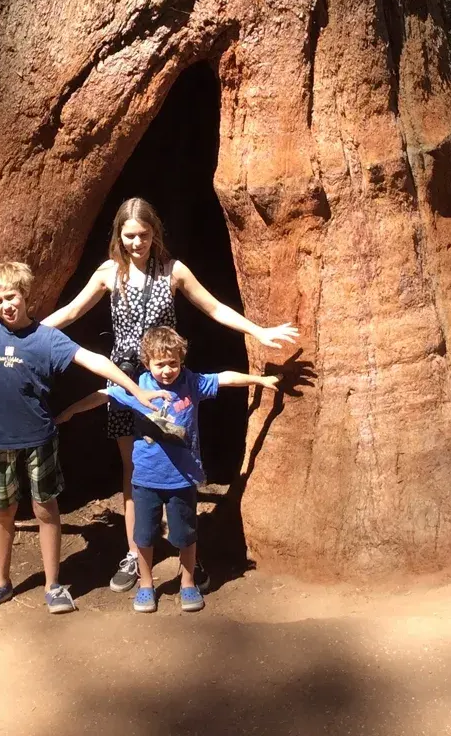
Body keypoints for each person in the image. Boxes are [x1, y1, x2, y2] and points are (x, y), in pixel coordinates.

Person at [42, 196, 299, 593]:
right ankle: (134, 551)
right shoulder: (109, 273)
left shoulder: (173, 271)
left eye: (143, 235)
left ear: (154, 233)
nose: (136, 243)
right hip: (128, 381)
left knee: (177, 460)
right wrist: (28, 334)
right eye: (129, 235)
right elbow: (72, 312)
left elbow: (214, 308)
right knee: (135, 469)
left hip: (169, 379)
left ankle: (186, 560)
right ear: (118, 235)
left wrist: (257, 331)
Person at [0, 260, 167, 616]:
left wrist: (136, 390)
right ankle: (0, 582)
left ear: (25, 295)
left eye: (10, 297)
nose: (6, 306)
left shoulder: (47, 338)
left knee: (46, 510)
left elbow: (92, 360)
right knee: (2, 513)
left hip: (39, 440)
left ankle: (53, 585)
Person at [56, 325, 279, 612]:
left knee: (185, 535)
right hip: (146, 478)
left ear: (181, 361)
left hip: (182, 478)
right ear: (147, 363)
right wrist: (71, 410)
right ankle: (146, 584)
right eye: (160, 364)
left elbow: (224, 379)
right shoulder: (139, 388)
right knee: (145, 535)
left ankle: (188, 582)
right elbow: (104, 394)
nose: (167, 370)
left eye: (173, 363)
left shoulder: (191, 384)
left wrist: (259, 380)